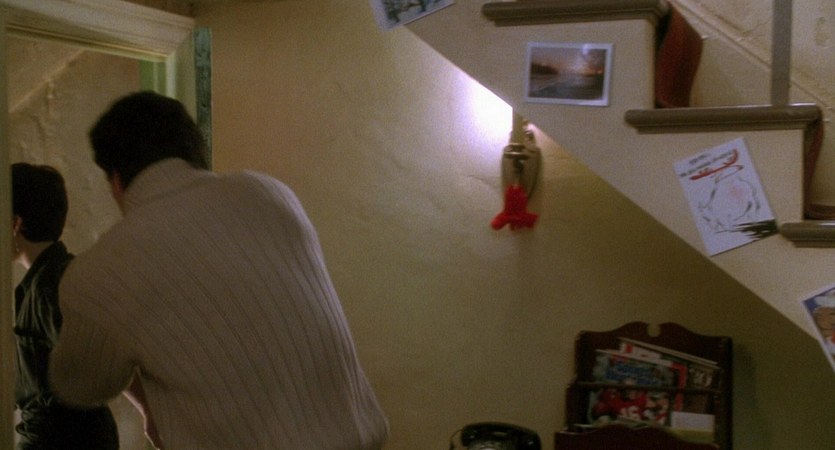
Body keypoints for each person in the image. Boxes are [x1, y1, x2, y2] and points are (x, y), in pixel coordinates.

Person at [49, 91, 389, 449]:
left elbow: (80, 385)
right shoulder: (271, 193)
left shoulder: (101, 270)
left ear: (116, 181)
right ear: (192, 150)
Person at [11, 162, 120, 450]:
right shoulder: (42, 283)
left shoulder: (51, 285)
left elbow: (97, 356)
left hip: (64, 441)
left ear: (15, 223)